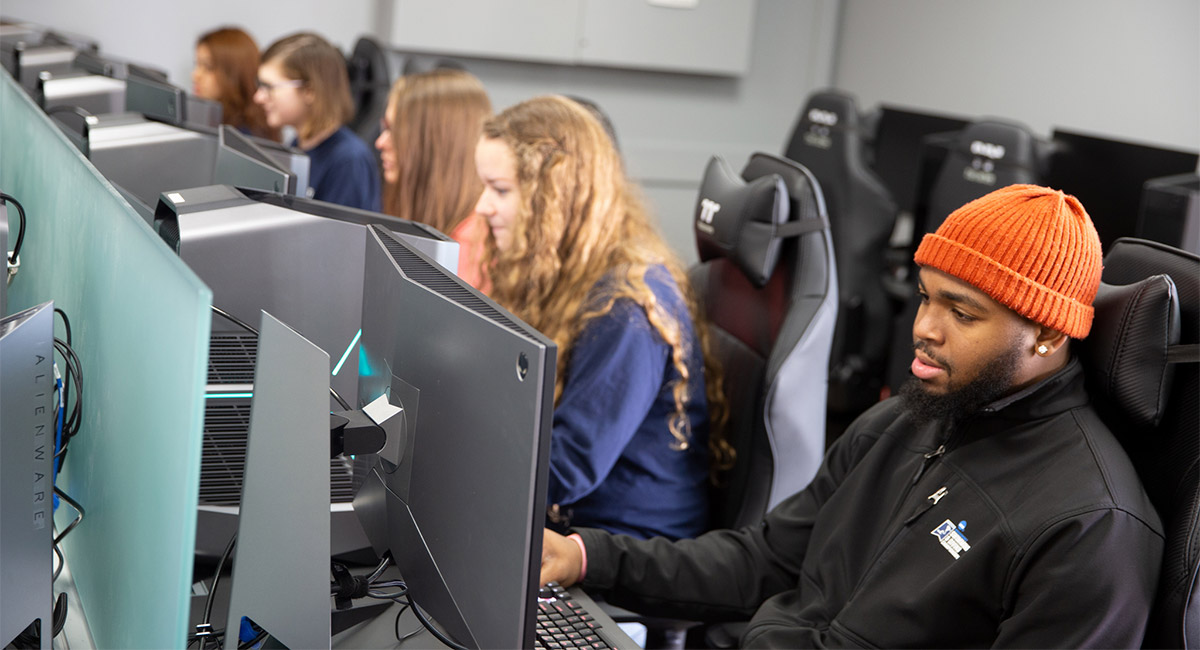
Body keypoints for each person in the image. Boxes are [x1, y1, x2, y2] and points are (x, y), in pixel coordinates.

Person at [540, 184, 1165, 647]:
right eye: (925, 296)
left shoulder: (1090, 525)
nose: (924, 329)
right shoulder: (905, 422)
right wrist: (588, 556)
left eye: (962, 313)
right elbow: (765, 562)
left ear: (1049, 335)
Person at [475, 95, 733, 540]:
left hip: (623, 550)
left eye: (500, 190)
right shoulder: (561, 272)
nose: (483, 205)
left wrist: (454, 473)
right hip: (574, 524)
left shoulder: (627, 306)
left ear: (554, 197)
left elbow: (567, 462)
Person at [376, 69, 492, 291]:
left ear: (434, 144)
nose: (380, 142)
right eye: (385, 128)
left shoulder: (473, 246)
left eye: (395, 131)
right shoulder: (420, 211)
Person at [255, 32, 380, 211]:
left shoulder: (349, 160)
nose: (258, 97)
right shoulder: (298, 144)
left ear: (309, 91)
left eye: (269, 87)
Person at [192, 27, 278, 141]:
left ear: (234, 73)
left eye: (208, 67)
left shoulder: (245, 138)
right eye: (197, 65)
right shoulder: (214, 123)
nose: (195, 75)